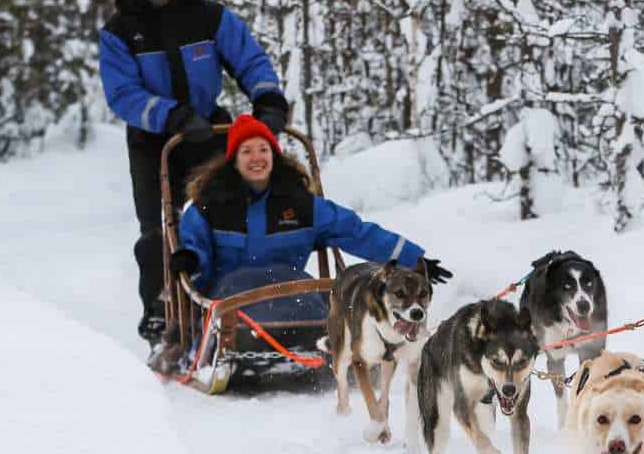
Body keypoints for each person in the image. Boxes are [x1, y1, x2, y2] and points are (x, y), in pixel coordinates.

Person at [98, 0, 290, 346]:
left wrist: (268, 100)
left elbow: (249, 59)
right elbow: (122, 94)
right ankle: (160, 318)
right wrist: (169, 115)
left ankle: (231, 304)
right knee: (158, 230)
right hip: (154, 140)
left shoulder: (206, 15)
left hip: (207, 131)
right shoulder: (120, 30)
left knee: (224, 215)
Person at [171, 114, 452, 344]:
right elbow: (198, 259)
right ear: (233, 160)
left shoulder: (302, 205)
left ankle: (332, 348)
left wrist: (413, 262)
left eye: (263, 150)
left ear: (274, 155)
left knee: (323, 302)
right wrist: (191, 261)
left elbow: (358, 232)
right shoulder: (208, 207)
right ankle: (234, 346)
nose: (256, 158)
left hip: (290, 292)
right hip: (233, 298)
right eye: (246, 151)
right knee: (245, 300)